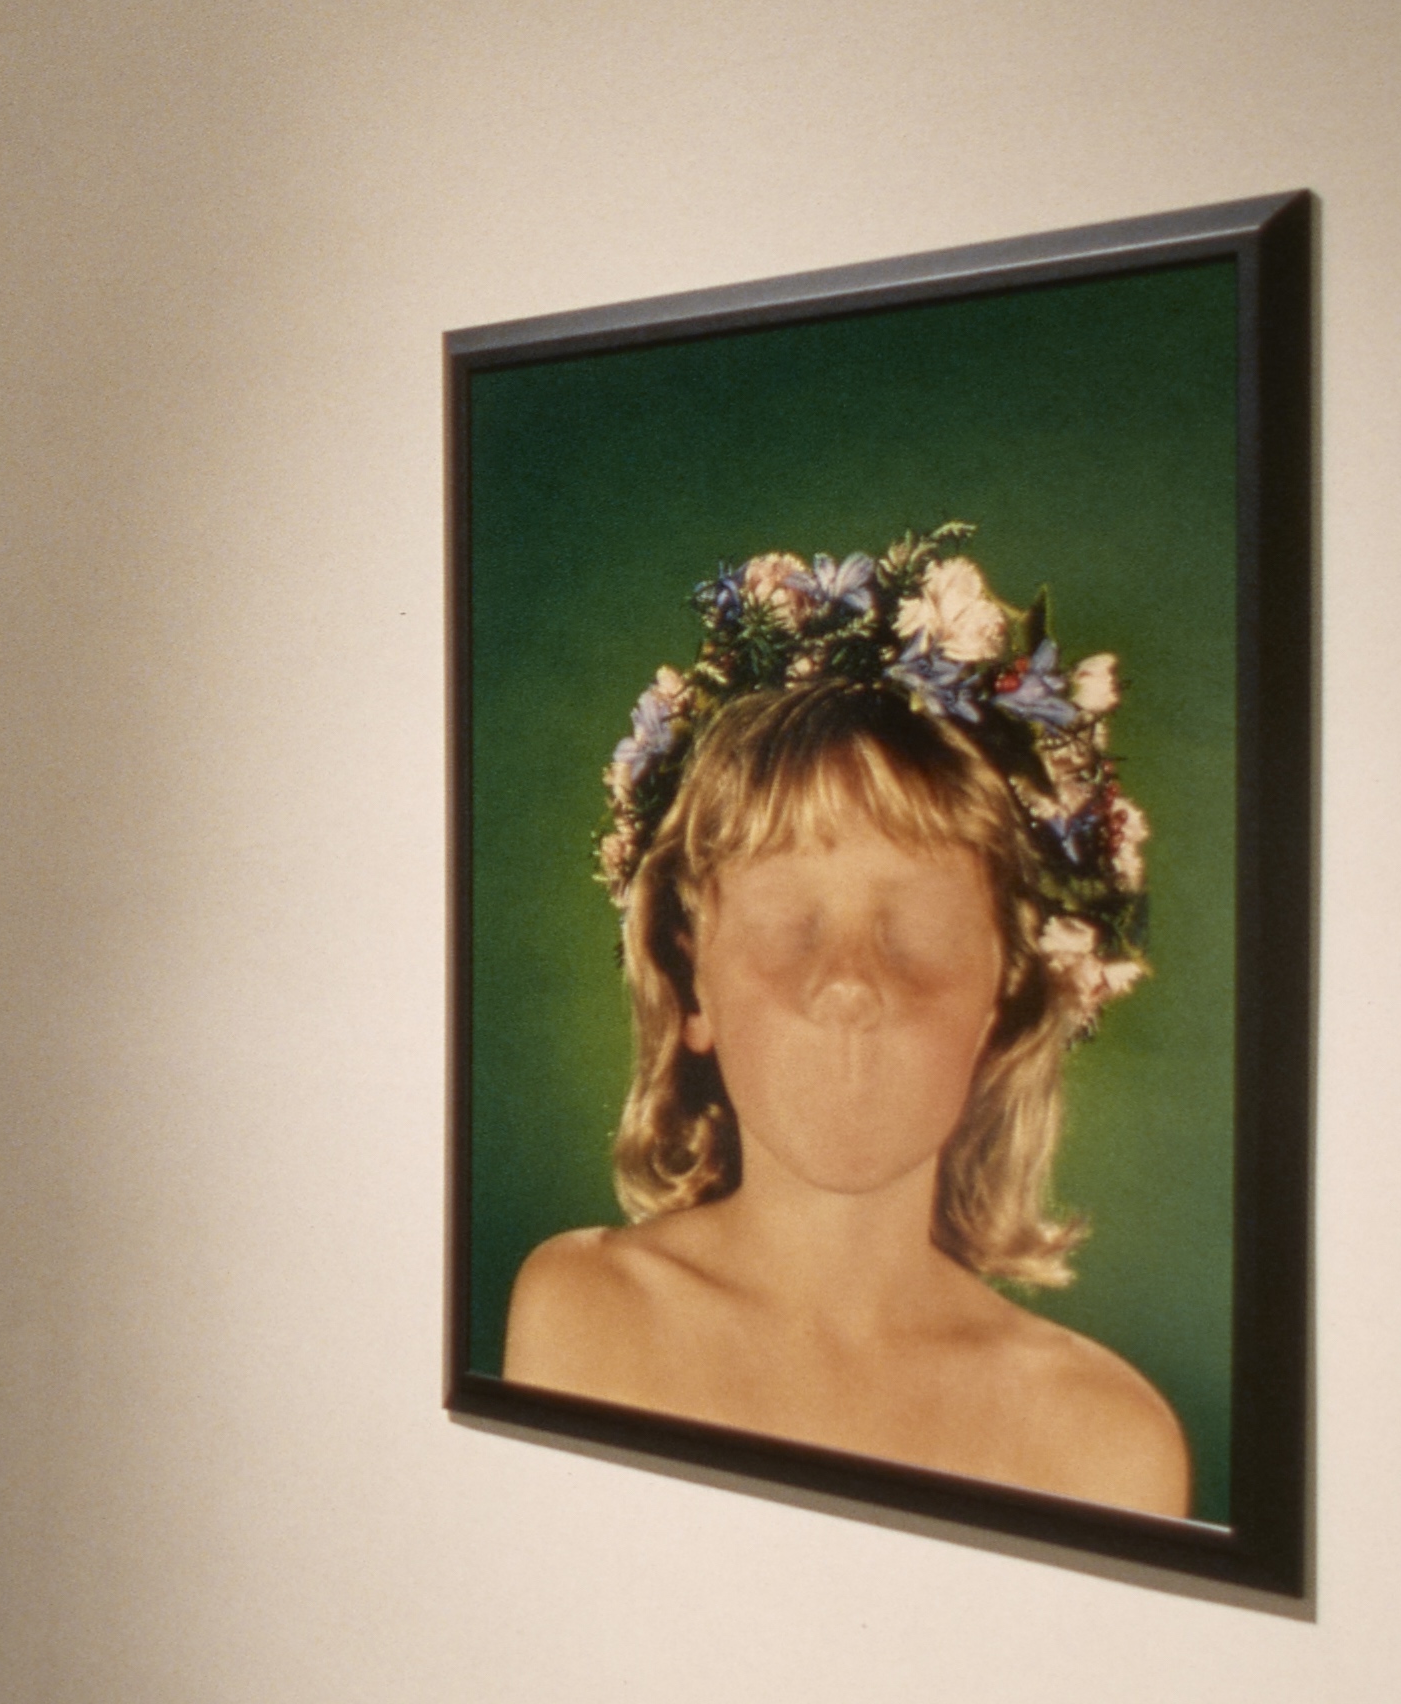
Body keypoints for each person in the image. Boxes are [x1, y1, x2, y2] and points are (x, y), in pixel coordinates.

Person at [505, 527, 1188, 1516]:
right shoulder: (584, 1313)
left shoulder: (1105, 1440)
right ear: (691, 981)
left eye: (912, 928)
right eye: (788, 925)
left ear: (1005, 989)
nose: (850, 983)